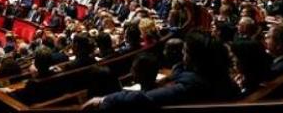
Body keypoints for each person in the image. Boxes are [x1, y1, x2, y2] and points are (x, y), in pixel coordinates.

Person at [84, 32, 239, 110]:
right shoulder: (224, 79)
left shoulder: (192, 85)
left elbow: (142, 98)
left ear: (196, 59)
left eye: (185, 52)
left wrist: (104, 99)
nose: (183, 55)